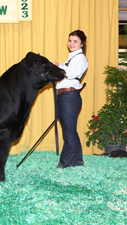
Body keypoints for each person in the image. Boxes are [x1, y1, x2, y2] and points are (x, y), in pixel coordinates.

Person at [52, 30, 88, 168]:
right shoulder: (71, 58)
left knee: (68, 131)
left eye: (75, 41)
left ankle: (66, 162)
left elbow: (71, 74)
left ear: (82, 44)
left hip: (69, 97)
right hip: (64, 96)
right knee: (70, 130)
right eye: (70, 40)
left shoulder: (80, 58)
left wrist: (59, 65)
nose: (71, 43)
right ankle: (77, 161)